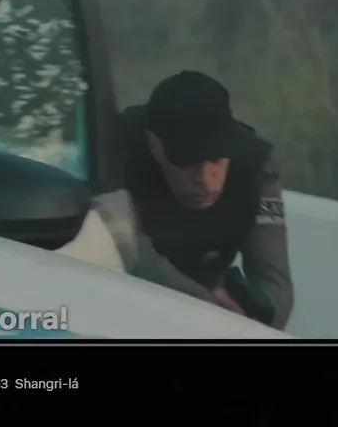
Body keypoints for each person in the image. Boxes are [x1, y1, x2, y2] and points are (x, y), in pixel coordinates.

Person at [95, 71, 294, 329]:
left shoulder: (258, 171)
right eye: (187, 161)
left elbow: (274, 278)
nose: (205, 180)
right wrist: (204, 305)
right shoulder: (113, 158)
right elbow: (130, 250)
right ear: (154, 146)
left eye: (217, 159)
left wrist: (259, 315)